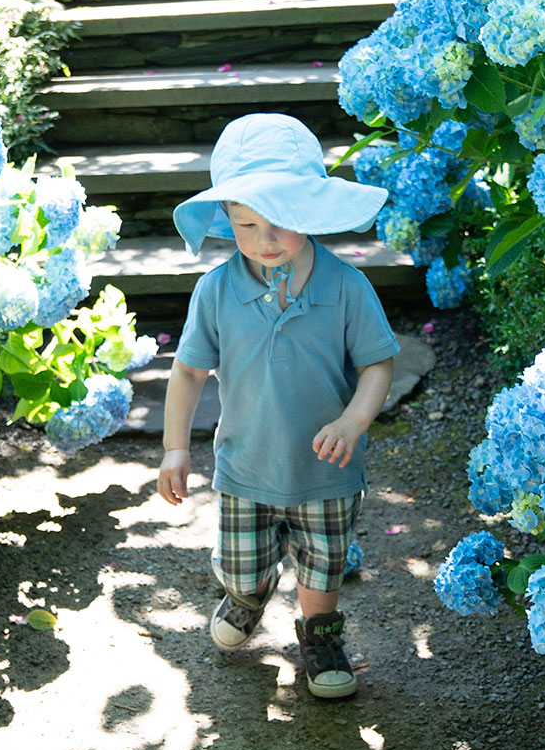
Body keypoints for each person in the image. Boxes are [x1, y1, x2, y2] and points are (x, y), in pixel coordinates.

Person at [157, 112, 399, 700]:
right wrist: (173, 448)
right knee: (242, 564)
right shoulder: (217, 290)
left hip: (327, 470)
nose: (265, 241)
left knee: (323, 568)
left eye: (280, 222)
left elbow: (377, 364)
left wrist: (353, 418)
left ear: (310, 213)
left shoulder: (344, 287)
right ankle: (245, 594)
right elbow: (188, 370)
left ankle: (319, 636)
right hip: (246, 467)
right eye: (245, 225)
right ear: (226, 222)